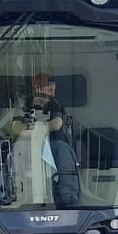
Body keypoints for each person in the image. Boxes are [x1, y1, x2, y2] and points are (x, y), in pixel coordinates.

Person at [29, 73, 79, 205]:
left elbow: (57, 123)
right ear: (38, 89)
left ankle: (68, 196)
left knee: (63, 156)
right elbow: (15, 126)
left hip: (54, 142)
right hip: (29, 144)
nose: (52, 93)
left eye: (53, 90)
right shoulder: (26, 103)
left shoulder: (54, 103)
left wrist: (36, 129)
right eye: (49, 90)